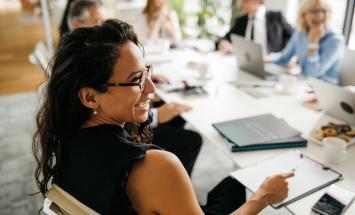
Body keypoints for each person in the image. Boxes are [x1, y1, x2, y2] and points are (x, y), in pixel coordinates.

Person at [33, 19, 293, 214]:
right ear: (90, 97)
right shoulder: (158, 167)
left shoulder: (65, 137)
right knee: (241, 186)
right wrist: (263, 198)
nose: (152, 88)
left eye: (146, 72)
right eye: (136, 80)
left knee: (232, 184)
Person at [60, 0, 202, 175]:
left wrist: (139, 77)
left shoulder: (71, 59)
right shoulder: (132, 163)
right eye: (98, 22)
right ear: (90, 97)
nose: (103, 27)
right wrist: (155, 115)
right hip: (132, 140)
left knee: (177, 118)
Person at [272, 0, 344, 85]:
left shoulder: (335, 40)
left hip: (324, 88)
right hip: (303, 83)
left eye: (324, 11)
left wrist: (313, 44)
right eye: (314, 11)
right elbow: (283, 58)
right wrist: (265, 59)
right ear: (304, 15)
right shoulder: (300, 34)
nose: (320, 15)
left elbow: (313, 74)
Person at [217, 0, 293, 55]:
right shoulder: (241, 21)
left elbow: (294, 37)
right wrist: (222, 43)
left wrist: (287, 54)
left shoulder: (276, 17)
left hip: (272, 64)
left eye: (245, 1)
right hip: (246, 65)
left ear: (257, 1)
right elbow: (225, 39)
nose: (241, 5)